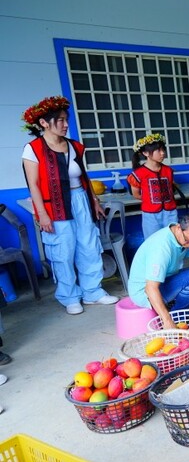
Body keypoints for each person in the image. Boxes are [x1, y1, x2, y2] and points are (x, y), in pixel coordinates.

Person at [21, 95, 118, 315]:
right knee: (62, 251)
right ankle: (69, 296)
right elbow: (33, 185)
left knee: (89, 246)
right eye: (60, 120)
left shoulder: (74, 146)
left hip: (80, 200)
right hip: (53, 206)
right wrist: (42, 214)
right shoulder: (33, 149)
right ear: (44, 123)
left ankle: (93, 291)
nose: (66, 124)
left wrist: (94, 201)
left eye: (66, 119)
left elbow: (84, 176)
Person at [127, 133, 178, 238]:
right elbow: (136, 194)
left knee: (173, 239)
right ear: (145, 153)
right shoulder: (138, 174)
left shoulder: (168, 170)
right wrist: (150, 200)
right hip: (151, 215)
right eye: (158, 150)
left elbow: (171, 189)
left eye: (163, 150)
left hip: (170, 212)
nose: (163, 153)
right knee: (153, 241)